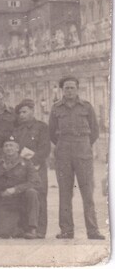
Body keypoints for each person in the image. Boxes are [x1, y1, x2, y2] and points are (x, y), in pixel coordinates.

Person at [49, 76, 105, 240]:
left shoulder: (87, 107)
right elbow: (52, 133)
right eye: (66, 88)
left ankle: (93, 230)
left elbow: (94, 131)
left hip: (83, 152)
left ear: (77, 89)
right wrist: (63, 145)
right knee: (65, 193)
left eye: (72, 87)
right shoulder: (56, 108)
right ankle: (66, 230)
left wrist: (83, 145)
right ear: (62, 90)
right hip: (64, 152)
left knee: (87, 192)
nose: (69, 91)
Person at [12, 98, 50, 238]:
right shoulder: (16, 130)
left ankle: (40, 230)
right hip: (21, 168)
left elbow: (45, 149)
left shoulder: (42, 127)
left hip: (37, 167)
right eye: (20, 112)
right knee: (24, 195)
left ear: (32, 111)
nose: (22, 115)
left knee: (39, 195)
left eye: (25, 112)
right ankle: (25, 228)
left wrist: (33, 162)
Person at [0, 136, 40, 239]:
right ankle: (18, 227)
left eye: (11, 145)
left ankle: (32, 228)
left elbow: (36, 182)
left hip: (21, 200)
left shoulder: (26, 163)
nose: (8, 148)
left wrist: (15, 189)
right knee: (4, 233)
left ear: (17, 148)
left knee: (32, 192)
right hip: (5, 201)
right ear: (3, 149)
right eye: (6, 146)